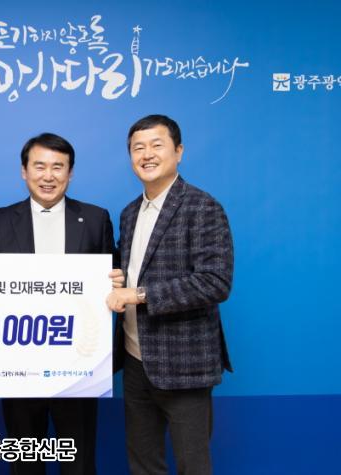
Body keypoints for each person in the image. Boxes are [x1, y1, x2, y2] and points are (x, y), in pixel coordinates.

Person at [0, 132, 114, 475]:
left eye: (58, 167)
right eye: (39, 166)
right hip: (17, 365)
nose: (48, 176)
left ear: (70, 173)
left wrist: (117, 284)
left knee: (79, 461)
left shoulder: (96, 219)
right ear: (24, 171)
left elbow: (111, 286)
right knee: (25, 462)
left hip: (78, 366)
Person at [107, 114, 234, 475]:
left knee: (193, 465)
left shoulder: (203, 207)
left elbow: (215, 281)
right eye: (138, 148)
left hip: (184, 363)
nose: (146, 154)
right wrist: (115, 278)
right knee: (143, 463)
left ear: (179, 152)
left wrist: (138, 294)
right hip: (135, 360)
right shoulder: (130, 213)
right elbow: (132, 271)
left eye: (156, 145)